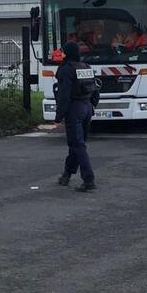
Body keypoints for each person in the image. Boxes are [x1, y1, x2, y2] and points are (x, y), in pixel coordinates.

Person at [55, 41, 101, 192]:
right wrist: (93, 105)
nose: (60, 54)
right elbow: (95, 89)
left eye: (62, 52)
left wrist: (59, 115)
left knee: (78, 145)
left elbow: (64, 95)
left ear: (67, 53)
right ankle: (66, 175)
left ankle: (89, 180)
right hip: (87, 107)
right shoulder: (86, 67)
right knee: (77, 144)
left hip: (74, 109)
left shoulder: (66, 70)